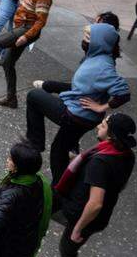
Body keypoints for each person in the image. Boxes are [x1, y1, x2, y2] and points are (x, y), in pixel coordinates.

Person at [43, 113, 136, 257]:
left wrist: (78, 229)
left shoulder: (101, 163)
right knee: (44, 208)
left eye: (102, 125)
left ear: (111, 135)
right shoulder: (126, 154)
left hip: (80, 214)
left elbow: (95, 203)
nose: (98, 127)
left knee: (67, 249)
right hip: (94, 214)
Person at [25, 23, 131, 184]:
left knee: (34, 97)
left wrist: (102, 107)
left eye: (88, 37)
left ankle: (38, 150)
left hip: (77, 116)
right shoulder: (96, 56)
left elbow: (123, 93)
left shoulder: (103, 66)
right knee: (60, 149)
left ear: (99, 42)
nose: (84, 40)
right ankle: (60, 186)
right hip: (79, 113)